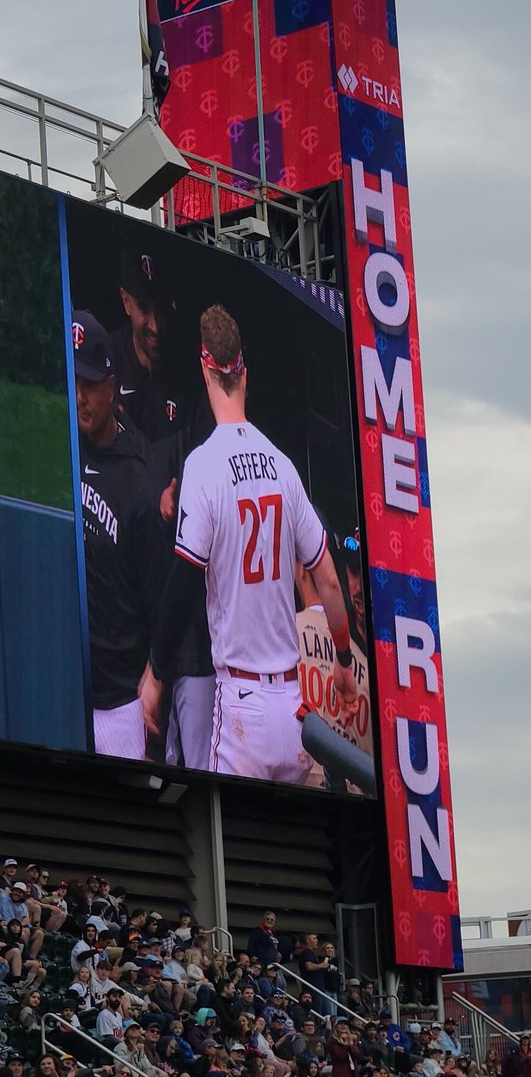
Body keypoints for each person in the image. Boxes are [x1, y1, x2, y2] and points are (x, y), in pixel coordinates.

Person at [147, 304, 359, 783]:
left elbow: (182, 585)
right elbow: (327, 577)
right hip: (292, 706)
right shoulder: (282, 467)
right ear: (245, 373)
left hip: (241, 705)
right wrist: (343, 662)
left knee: (231, 847)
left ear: (206, 369)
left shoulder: (204, 464)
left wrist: (156, 674)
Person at [109, 250, 217, 772]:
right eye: (144, 309)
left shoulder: (186, 374)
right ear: (126, 302)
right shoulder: (103, 366)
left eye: (163, 310)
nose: (156, 325)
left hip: (181, 600)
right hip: (126, 591)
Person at [73, 309, 167, 759]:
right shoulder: (58, 448)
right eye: (72, 383)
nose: (79, 398)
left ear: (111, 389)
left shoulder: (140, 479)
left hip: (119, 706)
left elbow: (161, 602)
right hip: (63, 688)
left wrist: (154, 678)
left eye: (89, 385)